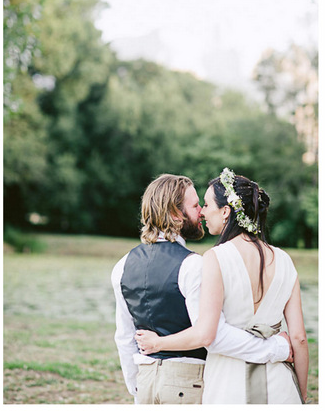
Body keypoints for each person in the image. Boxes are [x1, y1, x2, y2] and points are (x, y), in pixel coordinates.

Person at [111, 173, 291, 404]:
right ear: (176, 214)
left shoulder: (122, 265)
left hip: (145, 383)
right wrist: (278, 348)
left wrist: (136, 385)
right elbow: (212, 335)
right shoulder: (193, 265)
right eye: (196, 205)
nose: (202, 212)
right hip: (187, 383)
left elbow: (124, 337)